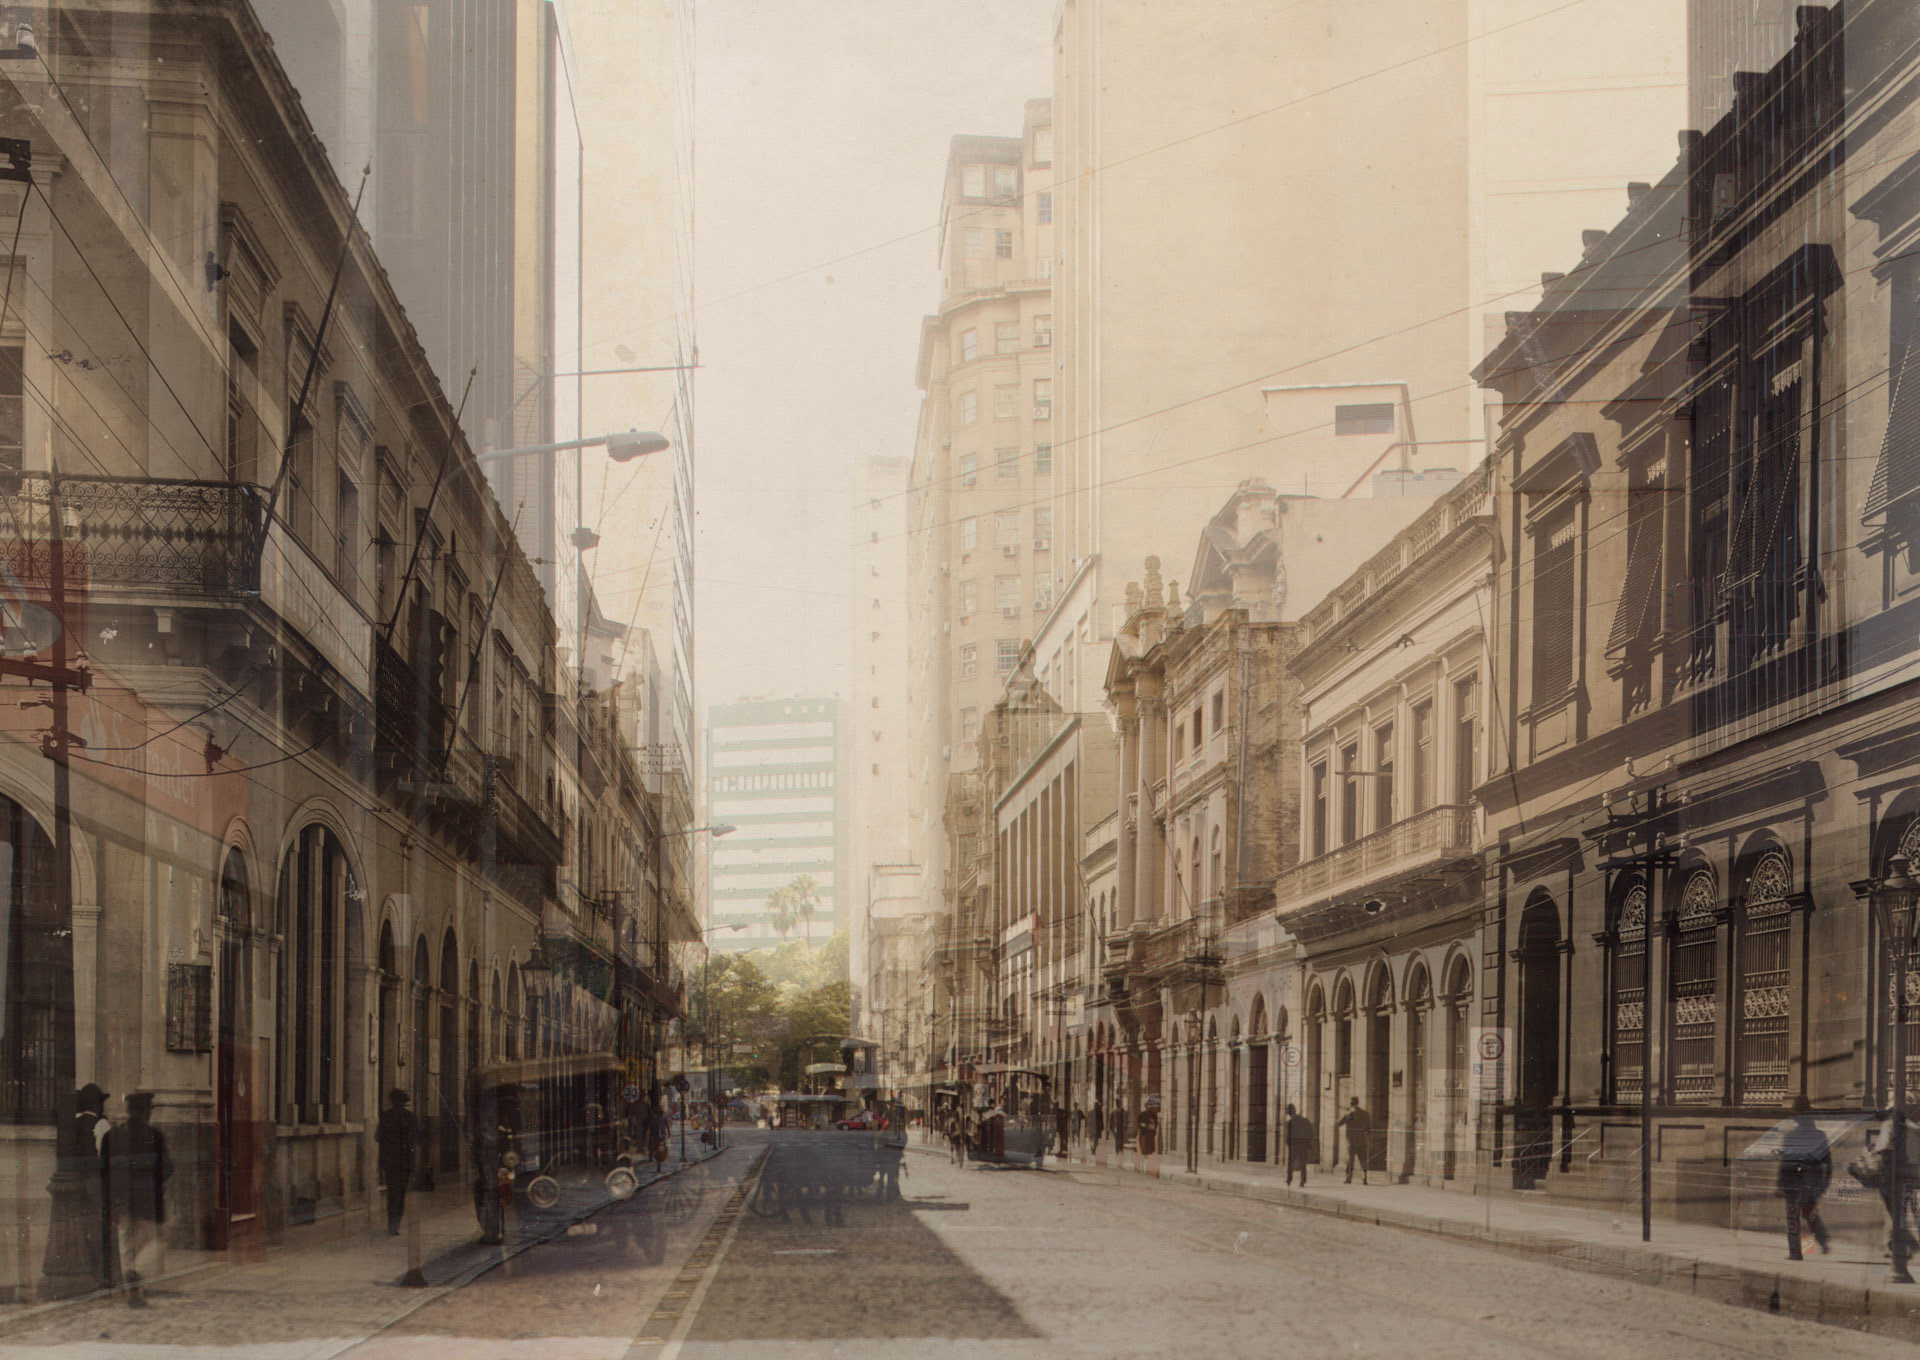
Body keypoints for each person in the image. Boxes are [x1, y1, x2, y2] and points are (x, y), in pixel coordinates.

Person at [102, 1092, 172, 1307]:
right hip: (147, 1198)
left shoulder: (111, 1136)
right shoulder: (154, 1135)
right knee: (158, 1240)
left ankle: (132, 1293)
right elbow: (167, 1168)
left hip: (120, 1198)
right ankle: (136, 1273)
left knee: (126, 1245)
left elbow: (103, 1172)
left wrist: (109, 1202)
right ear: (146, 1112)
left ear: (129, 1111)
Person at [1777, 1095, 1831, 1260]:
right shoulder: (1820, 1135)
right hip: (1811, 1181)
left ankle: (1795, 1252)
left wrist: (1780, 1184)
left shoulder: (1790, 1136)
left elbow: (1785, 1164)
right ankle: (1822, 1240)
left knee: (1794, 1215)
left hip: (1793, 1182)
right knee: (1809, 1213)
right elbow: (1828, 1162)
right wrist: (1824, 1182)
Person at [73, 1084, 111, 1287]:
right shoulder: (101, 1124)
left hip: (75, 1182)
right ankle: (97, 1273)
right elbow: (104, 1155)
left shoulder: (74, 1123)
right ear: (96, 1104)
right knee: (98, 1226)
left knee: (80, 1225)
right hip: (94, 1180)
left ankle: (82, 1269)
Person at [374, 1088, 420, 1235]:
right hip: (404, 1161)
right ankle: (395, 1225)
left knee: (392, 1193)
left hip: (390, 1160)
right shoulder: (411, 1117)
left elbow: (377, 1137)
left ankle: (392, 1225)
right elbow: (416, 1140)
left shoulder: (385, 1116)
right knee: (400, 1194)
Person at [1336, 1097, 1372, 1185]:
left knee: (1351, 1159)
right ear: (1358, 1103)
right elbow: (1369, 1127)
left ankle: (1349, 1177)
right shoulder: (1365, 1113)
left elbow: (1339, 1123)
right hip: (1363, 1139)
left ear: (1351, 1104)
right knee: (1363, 1159)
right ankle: (1365, 1177)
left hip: (1352, 1140)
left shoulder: (1350, 1114)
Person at [1284, 1103, 1316, 1187]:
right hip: (1303, 1144)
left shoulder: (1290, 1122)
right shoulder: (1305, 1120)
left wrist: (1288, 1144)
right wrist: (1307, 1142)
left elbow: (1288, 1136)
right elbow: (1310, 1132)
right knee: (1303, 1163)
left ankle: (1289, 1179)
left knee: (1291, 1162)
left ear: (1289, 1113)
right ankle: (1303, 1180)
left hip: (1294, 1144)